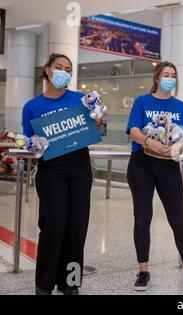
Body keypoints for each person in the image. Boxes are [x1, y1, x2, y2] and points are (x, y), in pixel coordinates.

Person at [21, 53, 102, 295]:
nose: (63, 73)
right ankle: (44, 283)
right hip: (51, 169)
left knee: (77, 227)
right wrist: (32, 142)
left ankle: (72, 282)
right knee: (53, 225)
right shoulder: (32, 106)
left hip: (79, 168)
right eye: (59, 67)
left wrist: (99, 119)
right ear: (47, 70)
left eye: (68, 69)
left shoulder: (81, 100)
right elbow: (26, 138)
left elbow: (98, 127)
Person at [126, 61, 183, 291]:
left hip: (169, 165)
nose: (170, 78)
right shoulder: (142, 102)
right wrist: (150, 141)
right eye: (166, 74)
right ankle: (143, 271)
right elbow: (133, 130)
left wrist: (177, 148)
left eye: (173, 75)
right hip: (141, 163)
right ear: (157, 77)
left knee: (178, 219)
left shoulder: (181, 106)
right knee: (142, 218)